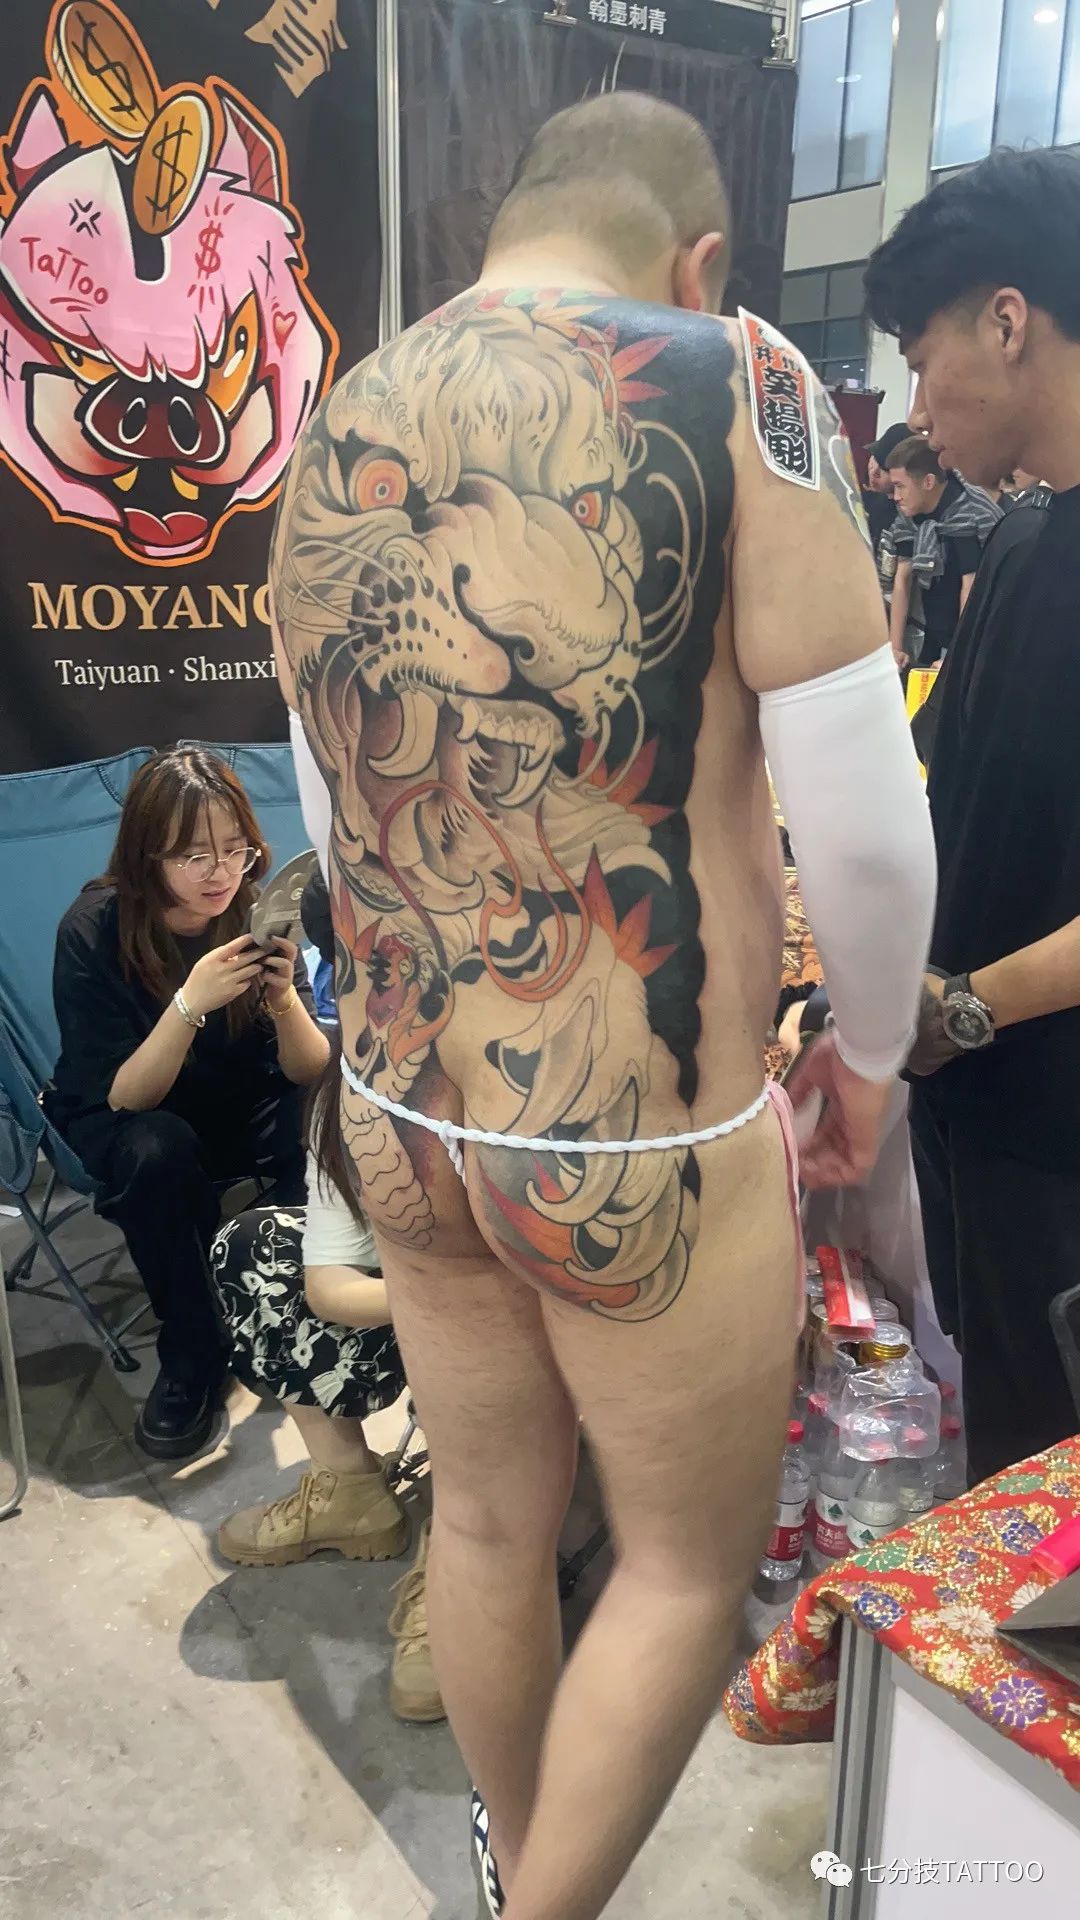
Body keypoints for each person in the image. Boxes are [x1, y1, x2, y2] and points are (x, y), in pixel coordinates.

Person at [271, 93, 936, 1920]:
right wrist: (870, 1060)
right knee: (679, 1571)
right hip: (640, 1137)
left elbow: (329, 811)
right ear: (700, 259)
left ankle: (516, 1864)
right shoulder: (744, 379)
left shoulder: (335, 418)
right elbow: (865, 825)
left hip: (407, 1112)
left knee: (485, 1523)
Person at [863, 143, 1080, 1483]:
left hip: (1059, 1133)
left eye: (918, 353)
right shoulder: (1017, 540)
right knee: (1005, 1457)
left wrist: (969, 1007)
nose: (914, 405)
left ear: (1008, 319)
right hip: (979, 1121)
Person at [46, 748, 330, 1460]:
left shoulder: (255, 910)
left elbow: (307, 1069)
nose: (220, 872)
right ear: (149, 856)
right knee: (156, 1151)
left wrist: (284, 999)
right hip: (131, 1113)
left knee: (327, 1115)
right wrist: (188, 1003)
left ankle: (296, 1303)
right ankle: (193, 1353)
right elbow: (125, 1095)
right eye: (193, 855)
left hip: (237, 1097)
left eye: (235, 849)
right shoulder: (94, 929)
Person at [209, 1028, 444, 1724]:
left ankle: (469, 1549)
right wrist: (442, 1301)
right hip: (429, 1291)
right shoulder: (353, 1094)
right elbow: (329, 1285)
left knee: (482, 1345)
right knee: (254, 1249)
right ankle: (349, 1491)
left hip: (543, 1319)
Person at [885, 436, 1000, 669]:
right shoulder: (909, 512)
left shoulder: (968, 511)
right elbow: (903, 577)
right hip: (930, 620)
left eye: (900, 486)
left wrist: (956, 655)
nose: (896, 496)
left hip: (971, 625)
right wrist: (895, 648)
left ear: (928, 482)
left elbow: (971, 584)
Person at [862, 421, 908, 556]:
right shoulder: (867, 500)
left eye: (882, 470)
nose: (873, 471)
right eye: (874, 457)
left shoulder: (907, 520)